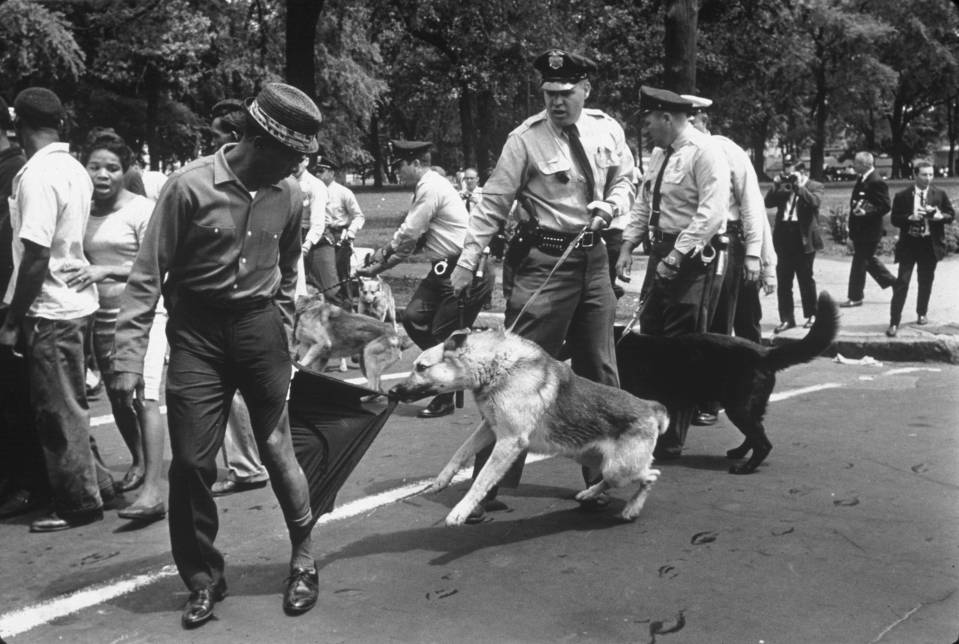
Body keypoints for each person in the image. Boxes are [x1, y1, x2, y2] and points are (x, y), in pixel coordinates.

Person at [111, 83, 322, 627]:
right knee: (190, 462)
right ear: (256, 140)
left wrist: (281, 324)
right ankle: (203, 577)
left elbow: (289, 265)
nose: (298, 166)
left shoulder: (290, 195)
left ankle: (303, 557)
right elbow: (145, 276)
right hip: (198, 336)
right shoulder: (187, 188)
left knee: (277, 449)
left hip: (258, 331)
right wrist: (128, 358)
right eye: (292, 155)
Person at [451, 49, 635, 514]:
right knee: (514, 372)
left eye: (566, 92)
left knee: (600, 372)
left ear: (586, 90)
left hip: (594, 261)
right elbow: (492, 202)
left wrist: (610, 207)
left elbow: (627, 180)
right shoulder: (524, 140)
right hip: (545, 263)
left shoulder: (607, 128)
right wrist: (468, 259)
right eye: (550, 93)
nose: (557, 102)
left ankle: (601, 480)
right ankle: (487, 487)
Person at [0, 87, 112, 532]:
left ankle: (78, 502)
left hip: (50, 307)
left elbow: (36, 257)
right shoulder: (73, 168)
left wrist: (12, 317)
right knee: (72, 402)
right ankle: (96, 482)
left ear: (17, 122)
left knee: (57, 410)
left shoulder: (37, 175)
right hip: (75, 302)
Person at [615, 86, 730, 460]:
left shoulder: (705, 151)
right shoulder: (661, 155)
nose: (646, 127)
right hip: (661, 252)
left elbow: (711, 213)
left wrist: (678, 255)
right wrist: (628, 245)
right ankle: (653, 425)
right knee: (654, 342)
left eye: (649, 120)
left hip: (692, 260)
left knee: (682, 349)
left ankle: (672, 439)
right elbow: (645, 203)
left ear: (667, 117)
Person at [357, 140, 493, 418]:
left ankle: (444, 391)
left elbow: (408, 233)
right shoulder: (425, 188)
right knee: (414, 318)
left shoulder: (432, 187)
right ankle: (446, 373)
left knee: (443, 333)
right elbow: (411, 244)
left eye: (400, 166)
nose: (397, 173)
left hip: (466, 267)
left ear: (416, 164)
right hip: (444, 268)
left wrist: (380, 255)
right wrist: (377, 269)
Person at [205, 98, 272, 499]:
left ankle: (247, 464)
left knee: (236, 391)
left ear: (235, 137)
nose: (211, 143)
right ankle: (247, 461)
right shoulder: (205, 181)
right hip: (237, 307)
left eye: (216, 135)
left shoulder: (272, 187)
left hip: (244, 308)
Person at [0, 94, 50, 519]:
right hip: (15, 299)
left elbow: (26, 252)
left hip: (18, 301)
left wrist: (13, 314)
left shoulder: (18, 172)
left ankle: (31, 484)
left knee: (22, 399)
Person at [886, 159, 955, 337]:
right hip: (909, 244)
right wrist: (910, 217)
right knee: (902, 282)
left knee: (925, 281)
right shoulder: (903, 196)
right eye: (924, 175)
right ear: (915, 175)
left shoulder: (939, 194)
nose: (928, 178)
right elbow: (894, 219)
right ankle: (894, 321)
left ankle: (921, 313)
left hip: (929, 244)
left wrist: (939, 216)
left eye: (931, 174)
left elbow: (951, 215)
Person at [765, 154, 824, 333]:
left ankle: (812, 315)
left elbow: (815, 203)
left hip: (803, 237)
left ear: (803, 172)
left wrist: (800, 188)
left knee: (806, 279)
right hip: (784, 236)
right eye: (787, 172)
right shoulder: (784, 186)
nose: (790, 177)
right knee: (784, 280)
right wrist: (777, 186)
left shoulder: (815, 186)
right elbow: (768, 203)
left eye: (794, 173)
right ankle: (787, 318)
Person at [842, 151, 896, 307]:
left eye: (856, 163)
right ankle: (896, 284)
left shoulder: (876, 181)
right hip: (860, 230)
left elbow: (885, 206)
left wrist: (867, 212)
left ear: (864, 164)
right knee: (867, 261)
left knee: (860, 262)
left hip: (870, 231)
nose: (854, 165)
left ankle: (855, 297)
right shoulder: (863, 179)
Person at [315, 156, 364, 306]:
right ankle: (326, 307)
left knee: (341, 273)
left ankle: (347, 305)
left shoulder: (343, 193)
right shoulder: (314, 191)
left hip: (339, 236)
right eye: (316, 171)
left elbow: (358, 216)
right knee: (321, 274)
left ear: (331, 173)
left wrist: (350, 233)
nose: (317, 175)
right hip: (320, 236)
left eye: (321, 171)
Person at [295, 156, 331, 293]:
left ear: (306, 161)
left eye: (298, 160)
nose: (294, 164)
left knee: (328, 288)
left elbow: (317, 222)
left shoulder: (315, 185)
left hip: (315, 238)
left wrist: (307, 244)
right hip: (291, 236)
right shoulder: (283, 182)